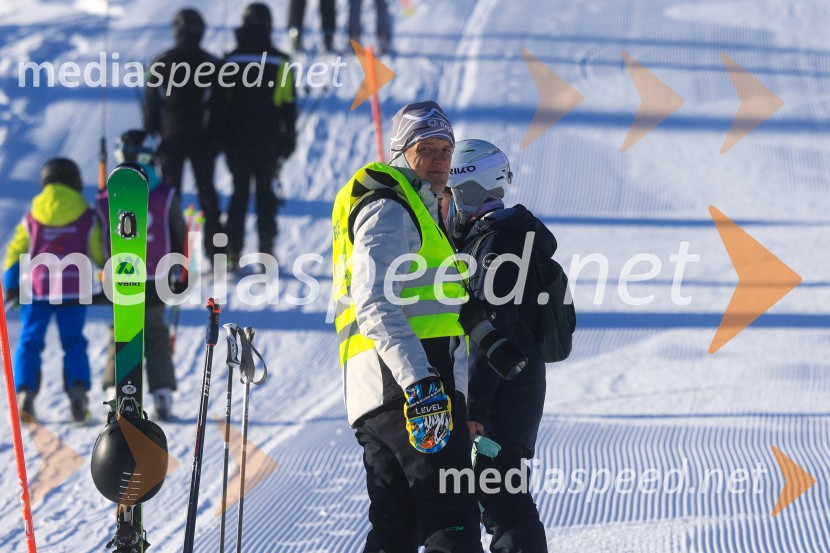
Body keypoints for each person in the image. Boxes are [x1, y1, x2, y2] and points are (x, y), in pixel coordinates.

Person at [331, 101, 483, 552]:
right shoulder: (390, 207)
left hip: (380, 392)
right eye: (425, 149)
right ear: (401, 153)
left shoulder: (416, 207)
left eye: (445, 149)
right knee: (450, 519)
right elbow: (373, 299)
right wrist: (421, 383)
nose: (439, 160)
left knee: (397, 528)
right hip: (410, 385)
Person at [443, 139, 554, 552]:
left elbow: (494, 331)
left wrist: (476, 411)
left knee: (503, 500)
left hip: (505, 390)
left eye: (449, 194)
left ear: (467, 191)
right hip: (510, 386)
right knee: (496, 497)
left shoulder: (499, 244)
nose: (447, 205)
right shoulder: (492, 238)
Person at [3, 158, 104, 422]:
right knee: (73, 341)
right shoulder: (86, 216)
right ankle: (78, 392)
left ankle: (25, 392)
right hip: (74, 287)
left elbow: (15, 252)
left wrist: (11, 284)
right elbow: (98, 251)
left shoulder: (33, 217)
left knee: (30, 340)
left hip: (37, 289)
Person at [98, 130, 187, 421]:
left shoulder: (107, 196)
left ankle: (115, 387)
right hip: (158, 275)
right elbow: (178, 233)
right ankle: (162, 392)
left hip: (122, 274)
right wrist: (181, 270)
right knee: (156, 333)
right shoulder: (165, 193)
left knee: (122, 332)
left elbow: (101, 241)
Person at [218, 3, 297, 269]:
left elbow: (221, 104)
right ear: (268, 26)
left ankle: (232, 254)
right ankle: (266, 253)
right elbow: (288, 105)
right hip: (269, 142)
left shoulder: (229, 60)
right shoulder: (280, 61)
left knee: (238, 196)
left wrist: (222, 138)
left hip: (236, 141)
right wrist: (289, 139)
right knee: (265, 197)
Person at [144, 8, 224, 260]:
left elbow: (151, 105)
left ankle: (171, 254)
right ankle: (217, 254)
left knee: (170, 201)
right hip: (202, 142)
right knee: (208, 198)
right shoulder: (211, 62)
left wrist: (154, 135)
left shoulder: (161, 61)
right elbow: (220, 107)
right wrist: (215, 139)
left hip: (171, 142)